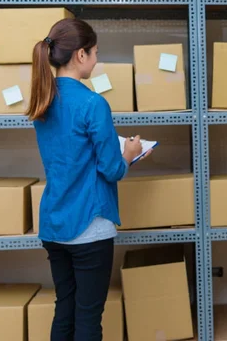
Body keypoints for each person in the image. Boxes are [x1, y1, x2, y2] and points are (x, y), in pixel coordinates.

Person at [26, 18, 149, 341]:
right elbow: (112, 170)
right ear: (80, 55)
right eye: (94, 52)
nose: (96, 59)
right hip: (89, 228)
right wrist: (130, 152)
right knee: (88, 316)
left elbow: (70, 153)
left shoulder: (43, 100)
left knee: (64, 307)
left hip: (54, 224)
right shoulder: (93, 103)